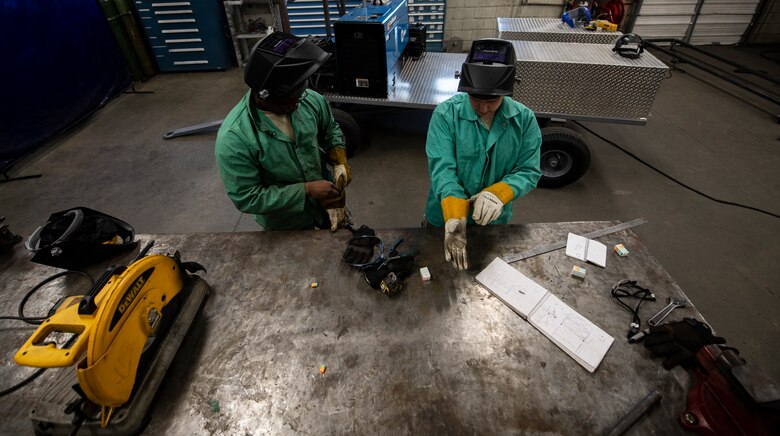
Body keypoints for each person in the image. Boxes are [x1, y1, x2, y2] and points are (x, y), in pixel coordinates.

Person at [424, 38, 542, 270]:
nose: (483, 108)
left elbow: (528, 170)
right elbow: (442, 169)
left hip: (493, 221)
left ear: (507, 92)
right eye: (475, 99)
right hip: (445, 218)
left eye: (492, 100)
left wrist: (499, 193)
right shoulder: (446, 115)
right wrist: (456, 215)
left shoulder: (524, 120)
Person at [215, 32, 351, 231]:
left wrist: (338, 157)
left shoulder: (308, 99)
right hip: (286, 225)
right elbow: (247, 197)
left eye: (299, 94)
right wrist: (305, 191)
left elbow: (329, 128)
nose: (298, 103)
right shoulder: (234, 138)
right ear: (264, 98)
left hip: (325, 208)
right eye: (290, 102)